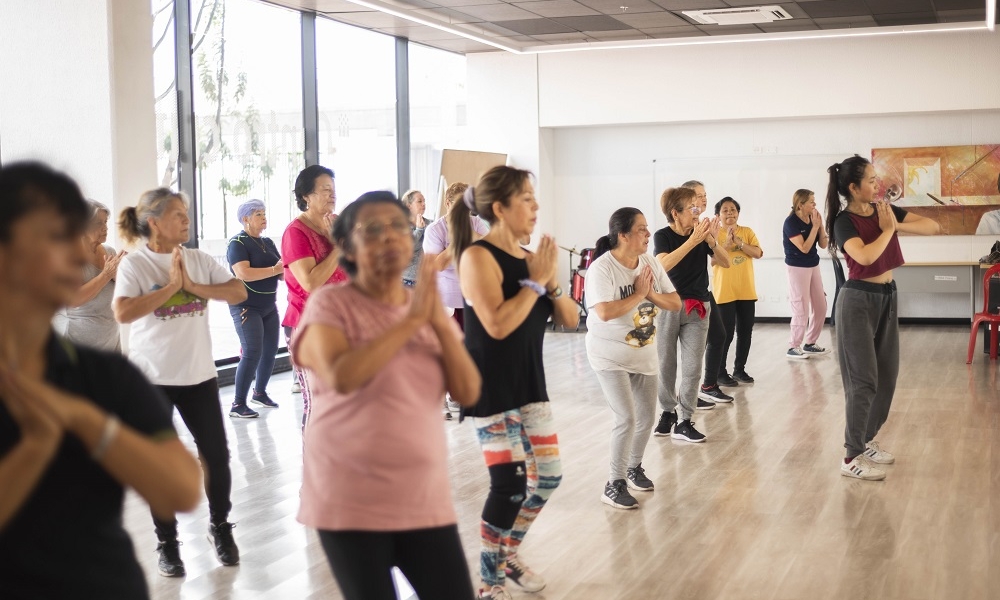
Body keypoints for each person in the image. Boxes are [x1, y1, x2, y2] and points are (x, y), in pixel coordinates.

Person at [0, 162, 201, 599]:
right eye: (53, 237)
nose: (76, 253)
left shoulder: (105, 375)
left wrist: (90, 424)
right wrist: (37, 445)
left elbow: (183, 488)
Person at [291, 191, 481, 600]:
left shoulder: (423, 307)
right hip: (349, 498)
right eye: (372, 229)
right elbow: (343, 375)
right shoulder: (330, 304)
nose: (390, 237)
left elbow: (467, 391)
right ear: (347, 246)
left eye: (397, 225)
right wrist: (412, 321)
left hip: (421, 494)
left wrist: (435, 323)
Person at [453, 166, 579, 600]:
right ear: (500, 208)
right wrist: (535, 281)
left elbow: (569, 319)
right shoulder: (476, 257)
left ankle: (507, 554)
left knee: (547, 477)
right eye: (526, 198)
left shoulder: (533, 259)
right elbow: (497, 324)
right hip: (489, 389)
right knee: (507, 485)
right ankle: (489, 583)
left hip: (529, 383)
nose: (535, 205)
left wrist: (552, 281)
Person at [114, 188, 248, 577]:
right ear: (153, 222)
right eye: (177, 214)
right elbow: (122, 312)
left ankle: (220, 526)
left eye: (187, 213)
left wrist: (193, 285)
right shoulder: (135, 266)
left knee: (217, 456)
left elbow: (238, 290)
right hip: (152, 379)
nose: (186, 220)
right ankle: (167, 542)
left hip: (198, 375)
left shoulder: (198, 260)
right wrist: (172, 288)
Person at [826, 155, 940, 481]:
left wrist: (893, 225)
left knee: (887, 378)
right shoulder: (842, 221)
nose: (878, 185)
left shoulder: (883, 214)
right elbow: (864, 255)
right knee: (863, 381)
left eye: (877, 179)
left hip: (887, 297)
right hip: (857, 300)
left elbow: (932, 227)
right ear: (853, 187)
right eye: (872, 181)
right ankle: (851, 457)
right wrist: (887, 230)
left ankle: (865, 441)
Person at [585, 208, 680, 510]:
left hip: (643, 353)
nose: (648, 234)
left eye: (647, 228)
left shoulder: (650, 263)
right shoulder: (603, 269)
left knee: (647, 418)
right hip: (608, 354)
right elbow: (604, 312)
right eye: (641, 229)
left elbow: (675, 303)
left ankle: (633, 467)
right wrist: (640, 294)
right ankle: (613, 484)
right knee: (626, 418)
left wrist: (649, 294)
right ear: (623, 235)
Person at [652, 186, 730, 443]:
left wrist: (711, 241)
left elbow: (726, 261)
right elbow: (663, 265)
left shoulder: (702, 234)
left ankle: (685, 419)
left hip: (699, 306)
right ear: (676, 213)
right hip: (669, 305)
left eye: (698, 208)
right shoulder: (663, 236)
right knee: (666, 363)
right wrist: (693, 241)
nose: (698, 213)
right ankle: (667, 412)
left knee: (693, 366)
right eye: (692, 209)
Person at [281, 164, 346, 427]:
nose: (332, 195)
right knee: (319, 405)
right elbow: (310, 282)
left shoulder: (338, 224)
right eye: (325, 190)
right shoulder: (295, 232)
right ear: (306, 196)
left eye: (333, 190)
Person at [226, 199, 283, 418]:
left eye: (264, 213)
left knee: (270, 351)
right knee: (252, 351)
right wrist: (274, 270)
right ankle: (237, 404)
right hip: (245, 306)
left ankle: (259, 393)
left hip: (269, 305)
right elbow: (244, 273)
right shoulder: (237, 243)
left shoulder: (267, 242)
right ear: (245, 219)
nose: (263, 217)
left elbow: (281, 271)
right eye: (258, 214)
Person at [52, 199, 127, 352]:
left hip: (110, 341)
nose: (105, 228)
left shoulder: (110, 252)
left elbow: (123, 292)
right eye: (99, 224)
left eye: (106, 222)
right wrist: (106, 275)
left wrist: (123, 275)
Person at [683, 181, 734, 403]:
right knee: (700, 345)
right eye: (698, 195)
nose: (704, 199)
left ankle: (707, 386)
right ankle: (697, 391)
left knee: (717, 336)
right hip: (685, 294)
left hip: (703, 289)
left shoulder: (702, 224)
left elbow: (718, 261)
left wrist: (714, 241)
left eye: (705, 195)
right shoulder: (683, 227)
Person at [423, 182, 490, 330]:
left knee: (474, 349)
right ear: (448, 203)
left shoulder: (476, 222)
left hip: (474, 298)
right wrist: (459, 239)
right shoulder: (434, 230)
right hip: (448, 302)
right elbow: (437, 266)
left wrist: (473, 235)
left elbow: (490, 251)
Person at [712, 197, 762, 384]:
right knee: (725, 334)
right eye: (725, 210)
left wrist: (739, 243)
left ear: (738, 213)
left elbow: (757, 253)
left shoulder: (747, 232)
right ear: (718, 215)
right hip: (724, 292)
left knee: (745, 332)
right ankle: (720, 372)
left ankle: (739, 370)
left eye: (733, 209)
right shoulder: (714, 234)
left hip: (746, 291)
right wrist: (726, 244)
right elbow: (713, 261)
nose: (730, 213)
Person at [782, 189, 829, 359]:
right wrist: (815, 227)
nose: (814, 205)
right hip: (797, 267)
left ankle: (810, 343)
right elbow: (804, 248)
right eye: (811, 202)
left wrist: (821, 226)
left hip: (812, 265)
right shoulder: (791, 222)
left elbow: (823, 245)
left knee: (821, 305)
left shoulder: (813, 219)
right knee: (801, 307)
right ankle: (793, 346)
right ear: (801, 205)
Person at [401, 189, 429, 287]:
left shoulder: (431, 224)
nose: (424, 204)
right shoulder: (402, 226)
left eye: (424, 201)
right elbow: (409, 247)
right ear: (409, 206)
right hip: (407, 281)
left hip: (426, 279)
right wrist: (419, 230)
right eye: (419, 201)